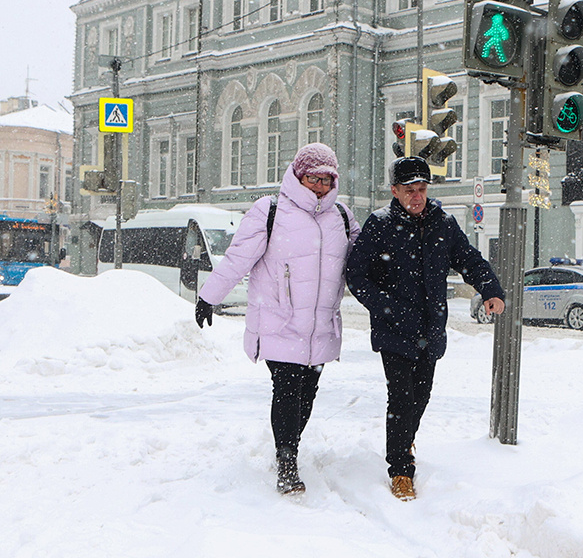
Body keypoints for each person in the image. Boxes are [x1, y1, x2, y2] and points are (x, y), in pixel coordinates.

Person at [193, 142, 360, 495]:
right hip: (279, 321)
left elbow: (364, 263)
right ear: (298, 176)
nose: (320, 187)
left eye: (327, 180)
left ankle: (289, 445)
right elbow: (238, 258)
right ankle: (287, 461)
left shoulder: (342, 217)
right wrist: (209, 296)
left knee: (307, 394)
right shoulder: (270, 211)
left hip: (320, 327)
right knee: (287, 389)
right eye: (313, 179)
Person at [346, 156, 505, 501]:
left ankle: (405, 440)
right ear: (394, 191)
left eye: (421, 189)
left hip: (430, 329)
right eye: (409, 190)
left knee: (421, 396)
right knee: (401, 399)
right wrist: (388, 308)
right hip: (394, 328)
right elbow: (356, 275)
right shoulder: (380, 225)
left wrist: (490, 289)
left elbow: (468, 259)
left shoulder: (442, 223)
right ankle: (401, 469)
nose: (417, 197)